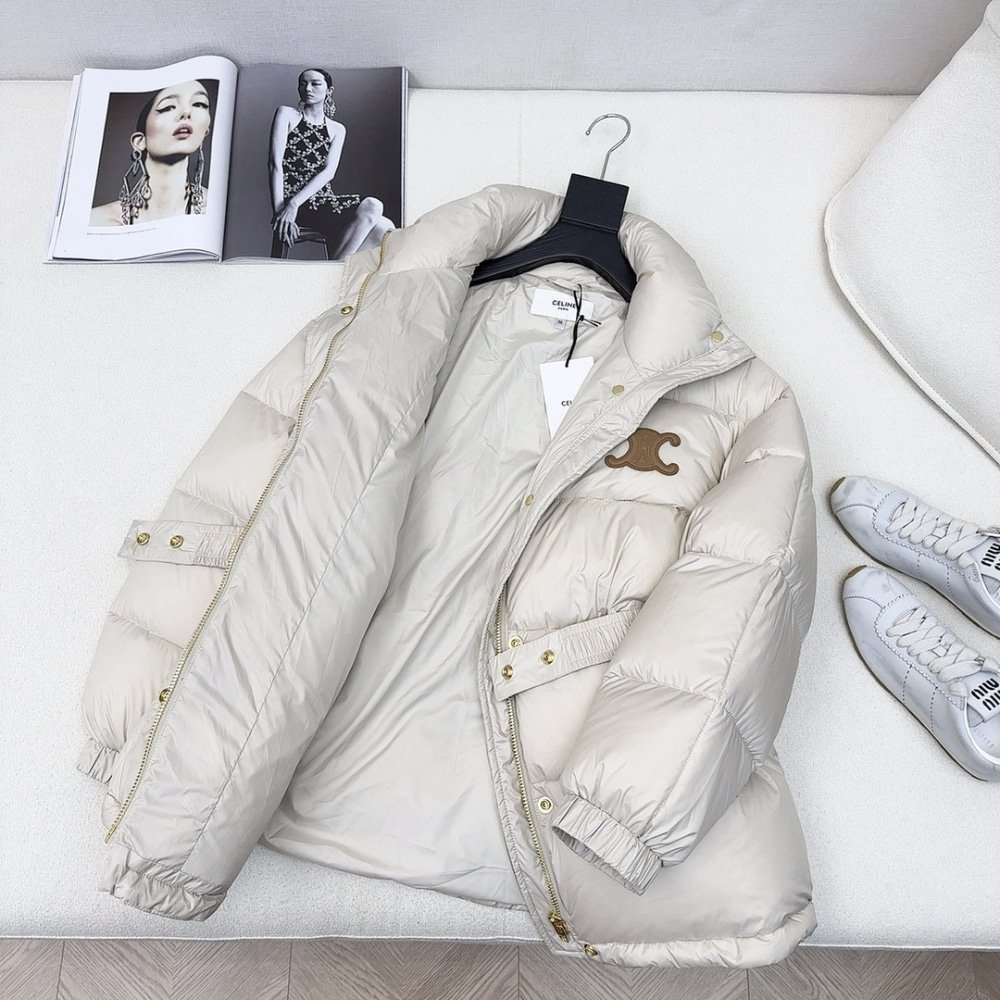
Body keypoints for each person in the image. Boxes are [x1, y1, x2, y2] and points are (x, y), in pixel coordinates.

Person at [268, 68, 394, 259]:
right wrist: (282, 211)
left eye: (315, 84)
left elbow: (328, 172)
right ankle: (334, 270)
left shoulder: (337, 129)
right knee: (373, 205)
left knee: (385, 228)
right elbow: (274, 164)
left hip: (322, 202)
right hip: (292, 205)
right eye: (303, 83)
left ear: (329, 90)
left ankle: (333, 268)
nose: (307, 88)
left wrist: (294, 204)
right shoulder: (286, 114)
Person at [90, 79, 211, 226]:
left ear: (205, 132)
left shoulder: (216, 210)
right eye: (168, 107)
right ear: (140, 141)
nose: (186, 112)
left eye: (199, 104)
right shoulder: (97, 221)